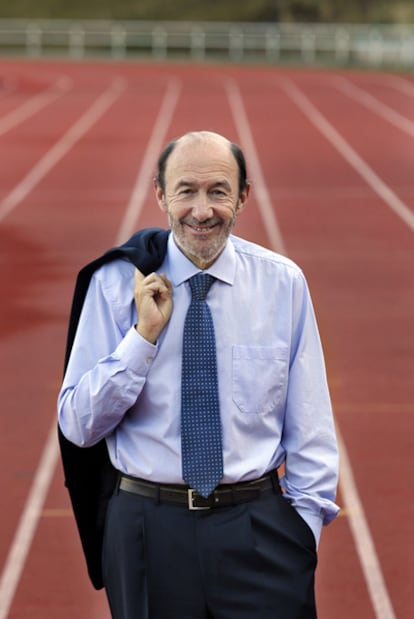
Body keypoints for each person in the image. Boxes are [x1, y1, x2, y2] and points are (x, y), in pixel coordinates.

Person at [58, 130, 339, 619]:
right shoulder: (113, 285)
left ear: (244, 196)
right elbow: (79, 425)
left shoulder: (282, 283)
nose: (202, 210)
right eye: (186, 190)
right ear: (161, 195)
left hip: (259, 529)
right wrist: (141, 339)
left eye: (218, 192)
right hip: (148, 526)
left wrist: (303, 530)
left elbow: (310, 424)